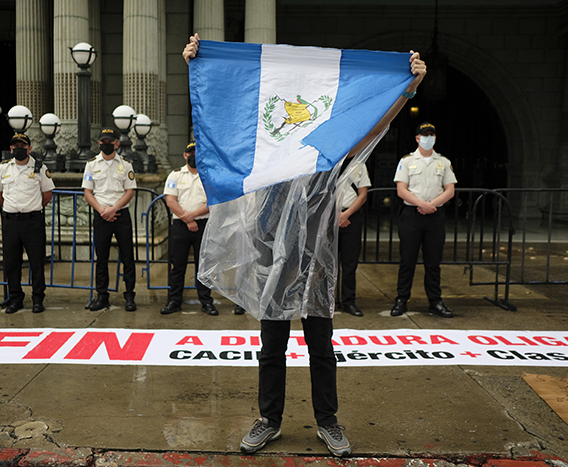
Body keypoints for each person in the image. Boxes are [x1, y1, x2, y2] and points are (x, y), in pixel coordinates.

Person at [182, 34, 426, 457]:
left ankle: (328, 422)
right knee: (271, 348)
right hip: (271, 261)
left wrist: (410, 87)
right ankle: (268, 420)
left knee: (321, 348)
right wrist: (196, 66)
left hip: (315, 262)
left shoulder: (327, 157)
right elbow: (220, 113)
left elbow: (374, 124)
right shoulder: (262, 155)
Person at [391, 122, 457, 318]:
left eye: (431, 135)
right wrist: (421, 203)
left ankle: (435, 301)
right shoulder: (407, 161)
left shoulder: (443, 162)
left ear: (435, 138)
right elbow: (401, 189)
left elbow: (450, 190)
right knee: (407, 261)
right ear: (417, 138)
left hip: (435, 217)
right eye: (424, 135)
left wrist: (432, 205)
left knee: (433, 262)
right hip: (411, 216)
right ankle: (401, 300)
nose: (428, 138)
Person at [0, 133, 55, 314]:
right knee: (11, 262)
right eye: (15, 146)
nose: (18, 148)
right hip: (11, 221)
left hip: (32, 221)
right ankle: (15, 298)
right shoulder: (4, 168)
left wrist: (31, 208)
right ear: (10, 149)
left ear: (29, 149)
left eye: (22, 145)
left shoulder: (39, 167)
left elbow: (47, 194)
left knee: (36, 261)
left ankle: (37, 299)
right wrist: (12, 209)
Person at [160, 142, 218, 316]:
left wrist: (191, 217)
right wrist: (187, 219)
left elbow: (212, 202)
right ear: (185, 155)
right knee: (177, 266)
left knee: (203, 266)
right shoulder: (175, 175)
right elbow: (170, 201)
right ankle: (174, 301)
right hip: (180, 226)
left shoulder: (208, 175)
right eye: (190, 153)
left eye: (196, 153)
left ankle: (206, 302)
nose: (193, 156)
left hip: (202, 225)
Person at [82, 128, 137, 312]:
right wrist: (102, 211)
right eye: (103, 142)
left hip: (121, 214)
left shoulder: (126, 164)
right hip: (101, 215)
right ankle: (102, 295)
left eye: (109, 142)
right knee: (102, 257)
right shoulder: (91, 165)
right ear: (99, 143)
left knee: (128, 257)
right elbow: (88, 192)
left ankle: (129, 295)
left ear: (117, 144)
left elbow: (129, 191)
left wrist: (113, 209)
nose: (106, 145)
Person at [336, 162, 371, 317]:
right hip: (329, 217)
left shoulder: (360, 165)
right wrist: (335, 215)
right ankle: (326, 301)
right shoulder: (329, 162)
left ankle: (348, 301)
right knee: (326, 264)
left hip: (351, 217)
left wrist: (346, 214)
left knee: (350, 264)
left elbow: (363, 194)